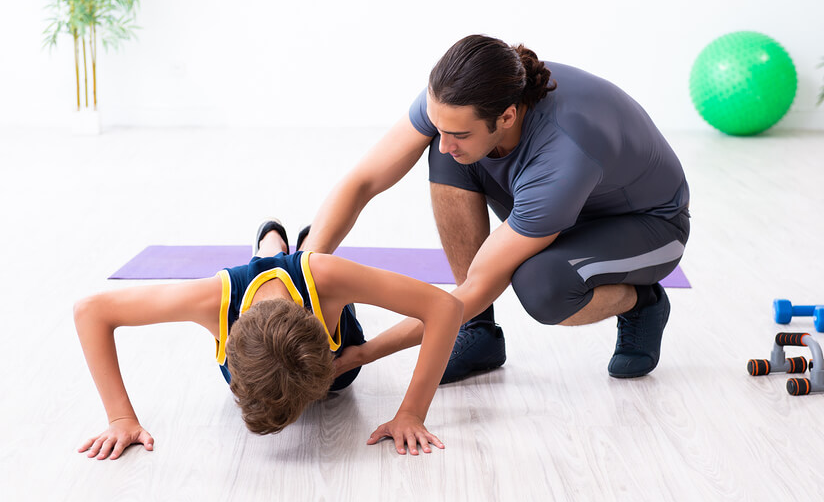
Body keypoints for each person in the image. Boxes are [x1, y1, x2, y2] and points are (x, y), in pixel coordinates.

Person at [301, 34, 690, 384]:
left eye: (459, 133)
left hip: (647, 226)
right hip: (558, 205)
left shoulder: (564, 154)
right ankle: (478, 334)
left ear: (507, 116)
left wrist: (365, 354)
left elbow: (475, 288)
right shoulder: (457, 100)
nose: (444, 141)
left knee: (543, 286)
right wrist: (301, 270)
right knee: (451, 157)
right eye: (441, 127)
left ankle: (644, 302)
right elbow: (363, 181)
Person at [74, 219, 463, 460]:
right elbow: (91, 311)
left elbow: (445, 308)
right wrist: (120, 418)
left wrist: (410, 410)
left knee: (317, 265)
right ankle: (270, 246)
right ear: (229, 342)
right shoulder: (212, 300)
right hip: (261, 333)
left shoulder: (327, 280)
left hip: (337, 358)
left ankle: (308, 241)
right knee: (271, 261)